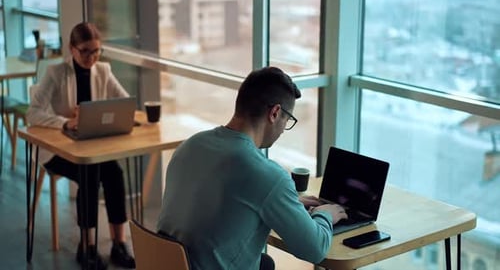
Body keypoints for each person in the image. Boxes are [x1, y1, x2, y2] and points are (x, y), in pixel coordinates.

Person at [157, 66, 348, 270]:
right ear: (275, 113)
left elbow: (217, 200)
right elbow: (315, 249)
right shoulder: (267, 176)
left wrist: (286, 204)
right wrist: (325, 214)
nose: (284, 129)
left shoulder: (190, 145)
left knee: (266, 264)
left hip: (167, 264)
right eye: (288, 119)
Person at [26, 22, 135, 270]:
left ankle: (119, 244)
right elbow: (33, 113)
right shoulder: (56, 73)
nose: (91, 57)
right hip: (57, 150)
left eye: (96, 51)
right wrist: (66, 123)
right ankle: (87, 247)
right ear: (72, 49)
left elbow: (125, 101)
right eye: (85, 51)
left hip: (92, 147)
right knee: (90, 174)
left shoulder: (103, 70)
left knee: (115, 173)